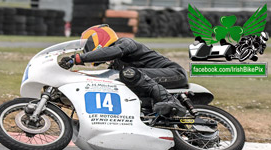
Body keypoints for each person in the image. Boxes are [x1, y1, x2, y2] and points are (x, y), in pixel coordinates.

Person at [59, 24, 188, 117]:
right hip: (154, 79)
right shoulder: (116, 64)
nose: (87, 49)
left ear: (98, 39)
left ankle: (170, 102)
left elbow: (114, 51)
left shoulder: (125, 43)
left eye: (88, 45)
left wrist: (78, 58)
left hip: (174, 73)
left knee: (128, 73)